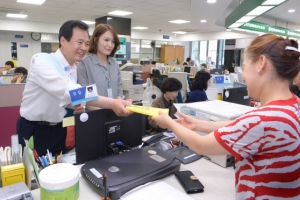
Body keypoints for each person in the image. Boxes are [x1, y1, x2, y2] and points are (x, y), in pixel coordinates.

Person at [151, 34, 300, 199]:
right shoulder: (292, 105)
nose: (243, 76)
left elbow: (201, 145)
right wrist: (197, 124)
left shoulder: (263, 119)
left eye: (244, 66)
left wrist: (170, 124)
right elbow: (239, 125)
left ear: (261, 63)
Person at [17, 20, 131, 156]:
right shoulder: (42, 61)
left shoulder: (73, 68)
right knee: (35, 173)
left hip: (58, 127)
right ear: (63, 41)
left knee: (58, 169)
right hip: (34, 128)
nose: (83, 48)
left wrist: (75, 105)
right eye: (79, 42)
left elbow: (66, 98)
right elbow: (71, 92)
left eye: (86, 43)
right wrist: (112, 103)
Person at [77, 24, 123, 105]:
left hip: (115, 113)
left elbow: (119, 89)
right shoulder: (84, 64)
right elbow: (84, 96)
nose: (110, 45)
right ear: (95, 40)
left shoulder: (114, 63)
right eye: (106, 40)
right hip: (94, 113)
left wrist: (118, 105)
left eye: (113, 41)